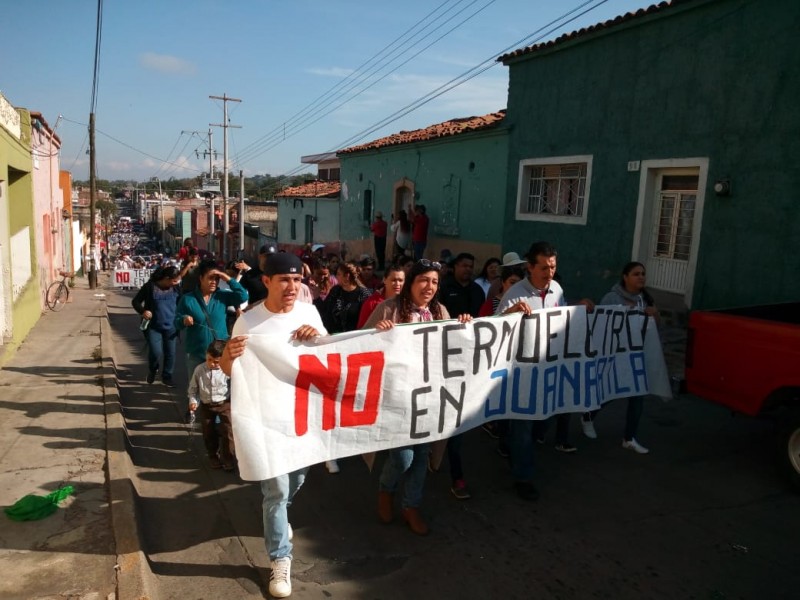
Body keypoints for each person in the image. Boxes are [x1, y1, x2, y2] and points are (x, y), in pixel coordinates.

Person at [220, 252, 327, 599]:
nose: (292, 287)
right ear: (266, 281)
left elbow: (328, 357)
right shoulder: (248, 322)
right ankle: (280, 558)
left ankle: (279, 518)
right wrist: (227, 357)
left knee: (294, 482)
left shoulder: (310, 312)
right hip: (265, 420)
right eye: (284, 280)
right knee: (276, 491)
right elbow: (226, 369)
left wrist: (317, 337)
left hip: (302, 420)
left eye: (297, 280)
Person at [363, 259, 472, 533]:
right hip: (397, 398)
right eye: (424, 279)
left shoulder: (440, 311)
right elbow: (359, 345)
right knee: (402, 458)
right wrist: (376, 335)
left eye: (435, 282)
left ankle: (412, 506)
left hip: (429, 397)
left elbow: (455, 346)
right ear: (411, 282)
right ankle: (386, 490)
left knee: (421, 455)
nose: (429, 287)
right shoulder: (387, 308)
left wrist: (464, 325)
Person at [496, 241, 595, 501]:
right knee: (524, 427)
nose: (549, 272)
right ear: (530, 267)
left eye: (552, 266)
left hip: (548, 370)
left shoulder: (557, 289)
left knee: (545, 419)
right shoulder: (515, 294)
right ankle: (523, 477)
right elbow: (492, 329)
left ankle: (512, 444)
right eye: (543, 267)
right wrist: (510, 313)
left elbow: (561, 316)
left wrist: (578, 307)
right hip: (520, 372)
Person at [580, 261, 658, 454]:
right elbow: (601, 326)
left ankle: (629, 438)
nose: (641, 277)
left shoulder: (645, 299)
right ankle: (588, 415)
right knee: (610, 391)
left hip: (635, 355)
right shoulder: (611, 297)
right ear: (625, 277)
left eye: (643, 274)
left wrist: (653, 315)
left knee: (636, 395)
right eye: (636, 274)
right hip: (614, 355)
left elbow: (653, 328)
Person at [437, 252, 485, 500]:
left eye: (471, 265)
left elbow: (487, 319)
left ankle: (457, 476)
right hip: (441, 362)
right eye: (464, 265)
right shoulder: (443, 289)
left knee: (455, 421)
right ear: (454, 267)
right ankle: (435, 459)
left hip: (469, 362)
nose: (468, 269)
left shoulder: (477, 290)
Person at [175, 259, 249, 382]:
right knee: (196, 388)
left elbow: (243, 296)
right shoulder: (188, 299)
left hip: (219, 353)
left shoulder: (223, 296)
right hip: (196, 353)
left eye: (217, 278)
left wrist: (227, 278)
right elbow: (176, 322)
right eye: (210, 278)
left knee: (220, 390)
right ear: (200, 278)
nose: (214, 282)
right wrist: (183, 320)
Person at [131, 265, 182, 387]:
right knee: (156, 352)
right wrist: (143, 311)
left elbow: (182, 303)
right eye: (174, 280)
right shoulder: (150, 287)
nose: (176, 283)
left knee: (170, 353)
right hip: (153, 326)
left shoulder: (176, 288)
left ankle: (167, 376)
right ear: (166, 278)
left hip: (171, 326)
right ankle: (153, 370)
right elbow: (135, 301)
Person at [188, 340, 235, 470]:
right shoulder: (199, 370)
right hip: (206, 405)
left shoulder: (228, 370)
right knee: (208, 431)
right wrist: (193, 401)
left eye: (216, 362)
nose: (212, 364)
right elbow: (193, 389)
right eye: (209, 360)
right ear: (206, 355)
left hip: (224, 404)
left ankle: (228, 458)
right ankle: (213, 455)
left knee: (228, 431)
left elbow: (235, 387)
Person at [357, 264, 405, 328]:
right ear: (384, 280)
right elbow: (361, 331)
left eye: (400, 280)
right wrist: (376, 327)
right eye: (393, 280)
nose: (397, 284)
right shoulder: (371, 303)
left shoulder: (408, 302)